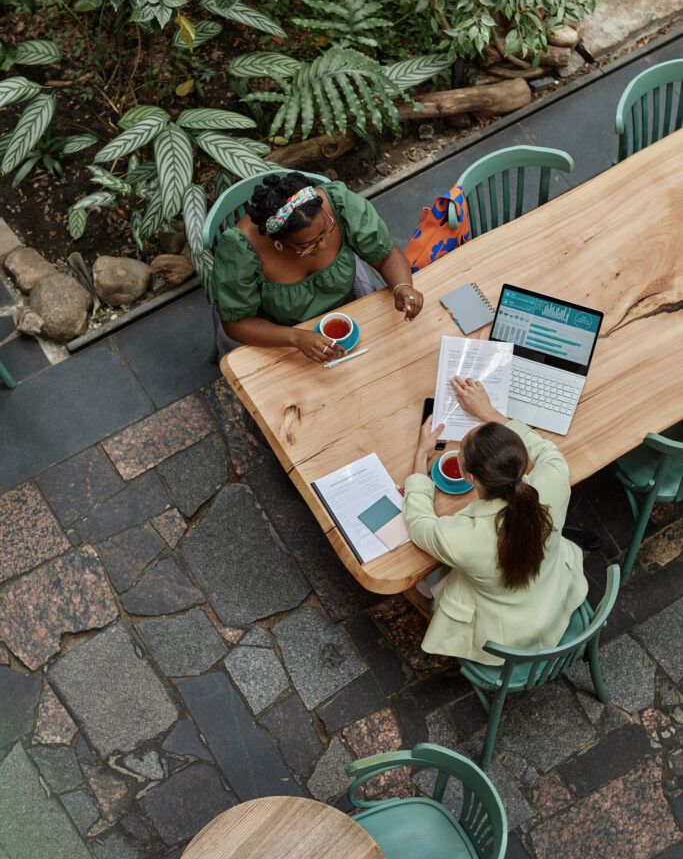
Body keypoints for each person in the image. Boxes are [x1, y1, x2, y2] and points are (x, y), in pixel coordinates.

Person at [403, 375, 588, 665]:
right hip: (558, 597)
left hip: (506, 641)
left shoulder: (461, 536)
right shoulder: (553, 479)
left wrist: (420, 456)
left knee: (422, 580)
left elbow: (418, 523)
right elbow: (547, 450)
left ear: (470, 478)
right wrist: (488, 412)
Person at [212, 171, 424, 362]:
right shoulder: (240, 248)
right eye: (307, 245)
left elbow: (386, 256)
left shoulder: (337, 203)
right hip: (277, 333)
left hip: (346, 306)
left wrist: (402, 287)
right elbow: (236, 324)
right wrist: (296, 337)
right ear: (279, 243)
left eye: (326, 231)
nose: (322, 246)